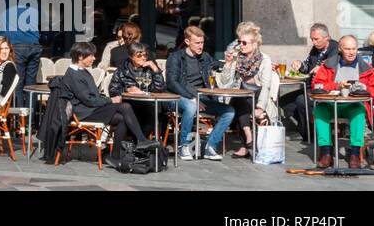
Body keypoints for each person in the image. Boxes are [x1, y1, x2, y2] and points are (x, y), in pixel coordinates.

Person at [62, 41, 155, 163]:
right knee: (125, 106)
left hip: (92, 109)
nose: (94, 58)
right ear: (80, 56)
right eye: (91, 55)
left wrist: (107, 100)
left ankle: (115, 156)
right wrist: (110, 100)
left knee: (123, 118)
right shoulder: (73, 74)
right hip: (85, 112)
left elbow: (92, 97)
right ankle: (141, 140)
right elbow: (88, 100)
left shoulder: (82, 71)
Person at [310, 34, 374, 170]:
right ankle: (326, 152)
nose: (351, 52)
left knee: (359, 111)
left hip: (353, 105)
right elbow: (316, 85)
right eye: (347, 49)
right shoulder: (328, 65)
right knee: (319, 110)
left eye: (353, 49)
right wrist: (336, 86)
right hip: (331, 104)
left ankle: (355, 154)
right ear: (340, 49)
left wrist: (363, 88)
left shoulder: (367, 68)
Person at [166, 25, 235, 161]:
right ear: (187, 42)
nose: (200, 46)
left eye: (202, 42)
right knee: (191, 106)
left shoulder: (205, 57)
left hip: (201, 98)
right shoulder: (176, 57)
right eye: (197, 43)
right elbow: (172, 82)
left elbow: (217, 65)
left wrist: (228, 62)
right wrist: (192, 98)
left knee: (229, 111)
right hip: (178, 97)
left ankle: (210, 146)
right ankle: (183, 146)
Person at [217, 21, 278, 158]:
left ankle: (246, 145)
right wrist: (228, 64)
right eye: (239, 42)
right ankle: (249, 137)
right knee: (239, 101)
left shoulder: (264, 60)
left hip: (258, 98)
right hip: (241, 97)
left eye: (244, 43)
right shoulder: (237, 58)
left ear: (254, 44)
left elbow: (266, 87)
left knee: (241, 102)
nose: (241, 46)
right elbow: (225, 83)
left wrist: (261, 107)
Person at [286, 22, 338, 139]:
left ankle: (310, 134)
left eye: (316, 39)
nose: (314, 42)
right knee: (286, 102)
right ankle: (302, 129)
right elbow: (307, 68)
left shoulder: (336, 49)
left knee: (301, 101)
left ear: (327, 38)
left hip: (324, 89)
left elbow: (336, 67)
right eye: (312, 39)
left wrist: (323, 68)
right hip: (310, 87)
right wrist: (299, 65)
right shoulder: (315, 49)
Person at [0, 0, 41, 102]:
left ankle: (21, 117)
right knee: (32, 84)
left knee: (18, 82)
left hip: (18, 45)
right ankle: (32, 116)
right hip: (34, 44)